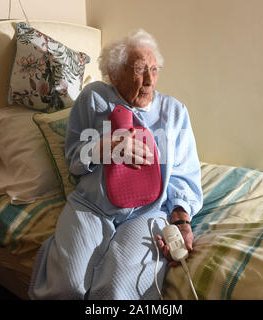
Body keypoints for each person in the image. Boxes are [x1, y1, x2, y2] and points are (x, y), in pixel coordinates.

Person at [28, 29, 203, 299]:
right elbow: (74, 160)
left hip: (148, 211)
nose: (149, 80)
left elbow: (183, 175)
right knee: (67, 285)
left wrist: (181, 223)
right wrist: (103, 147)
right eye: (139, 69)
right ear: (114, 74)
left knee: (116, 290)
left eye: (154, 70)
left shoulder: (174, 112)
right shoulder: (94, 98)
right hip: (91, 206)